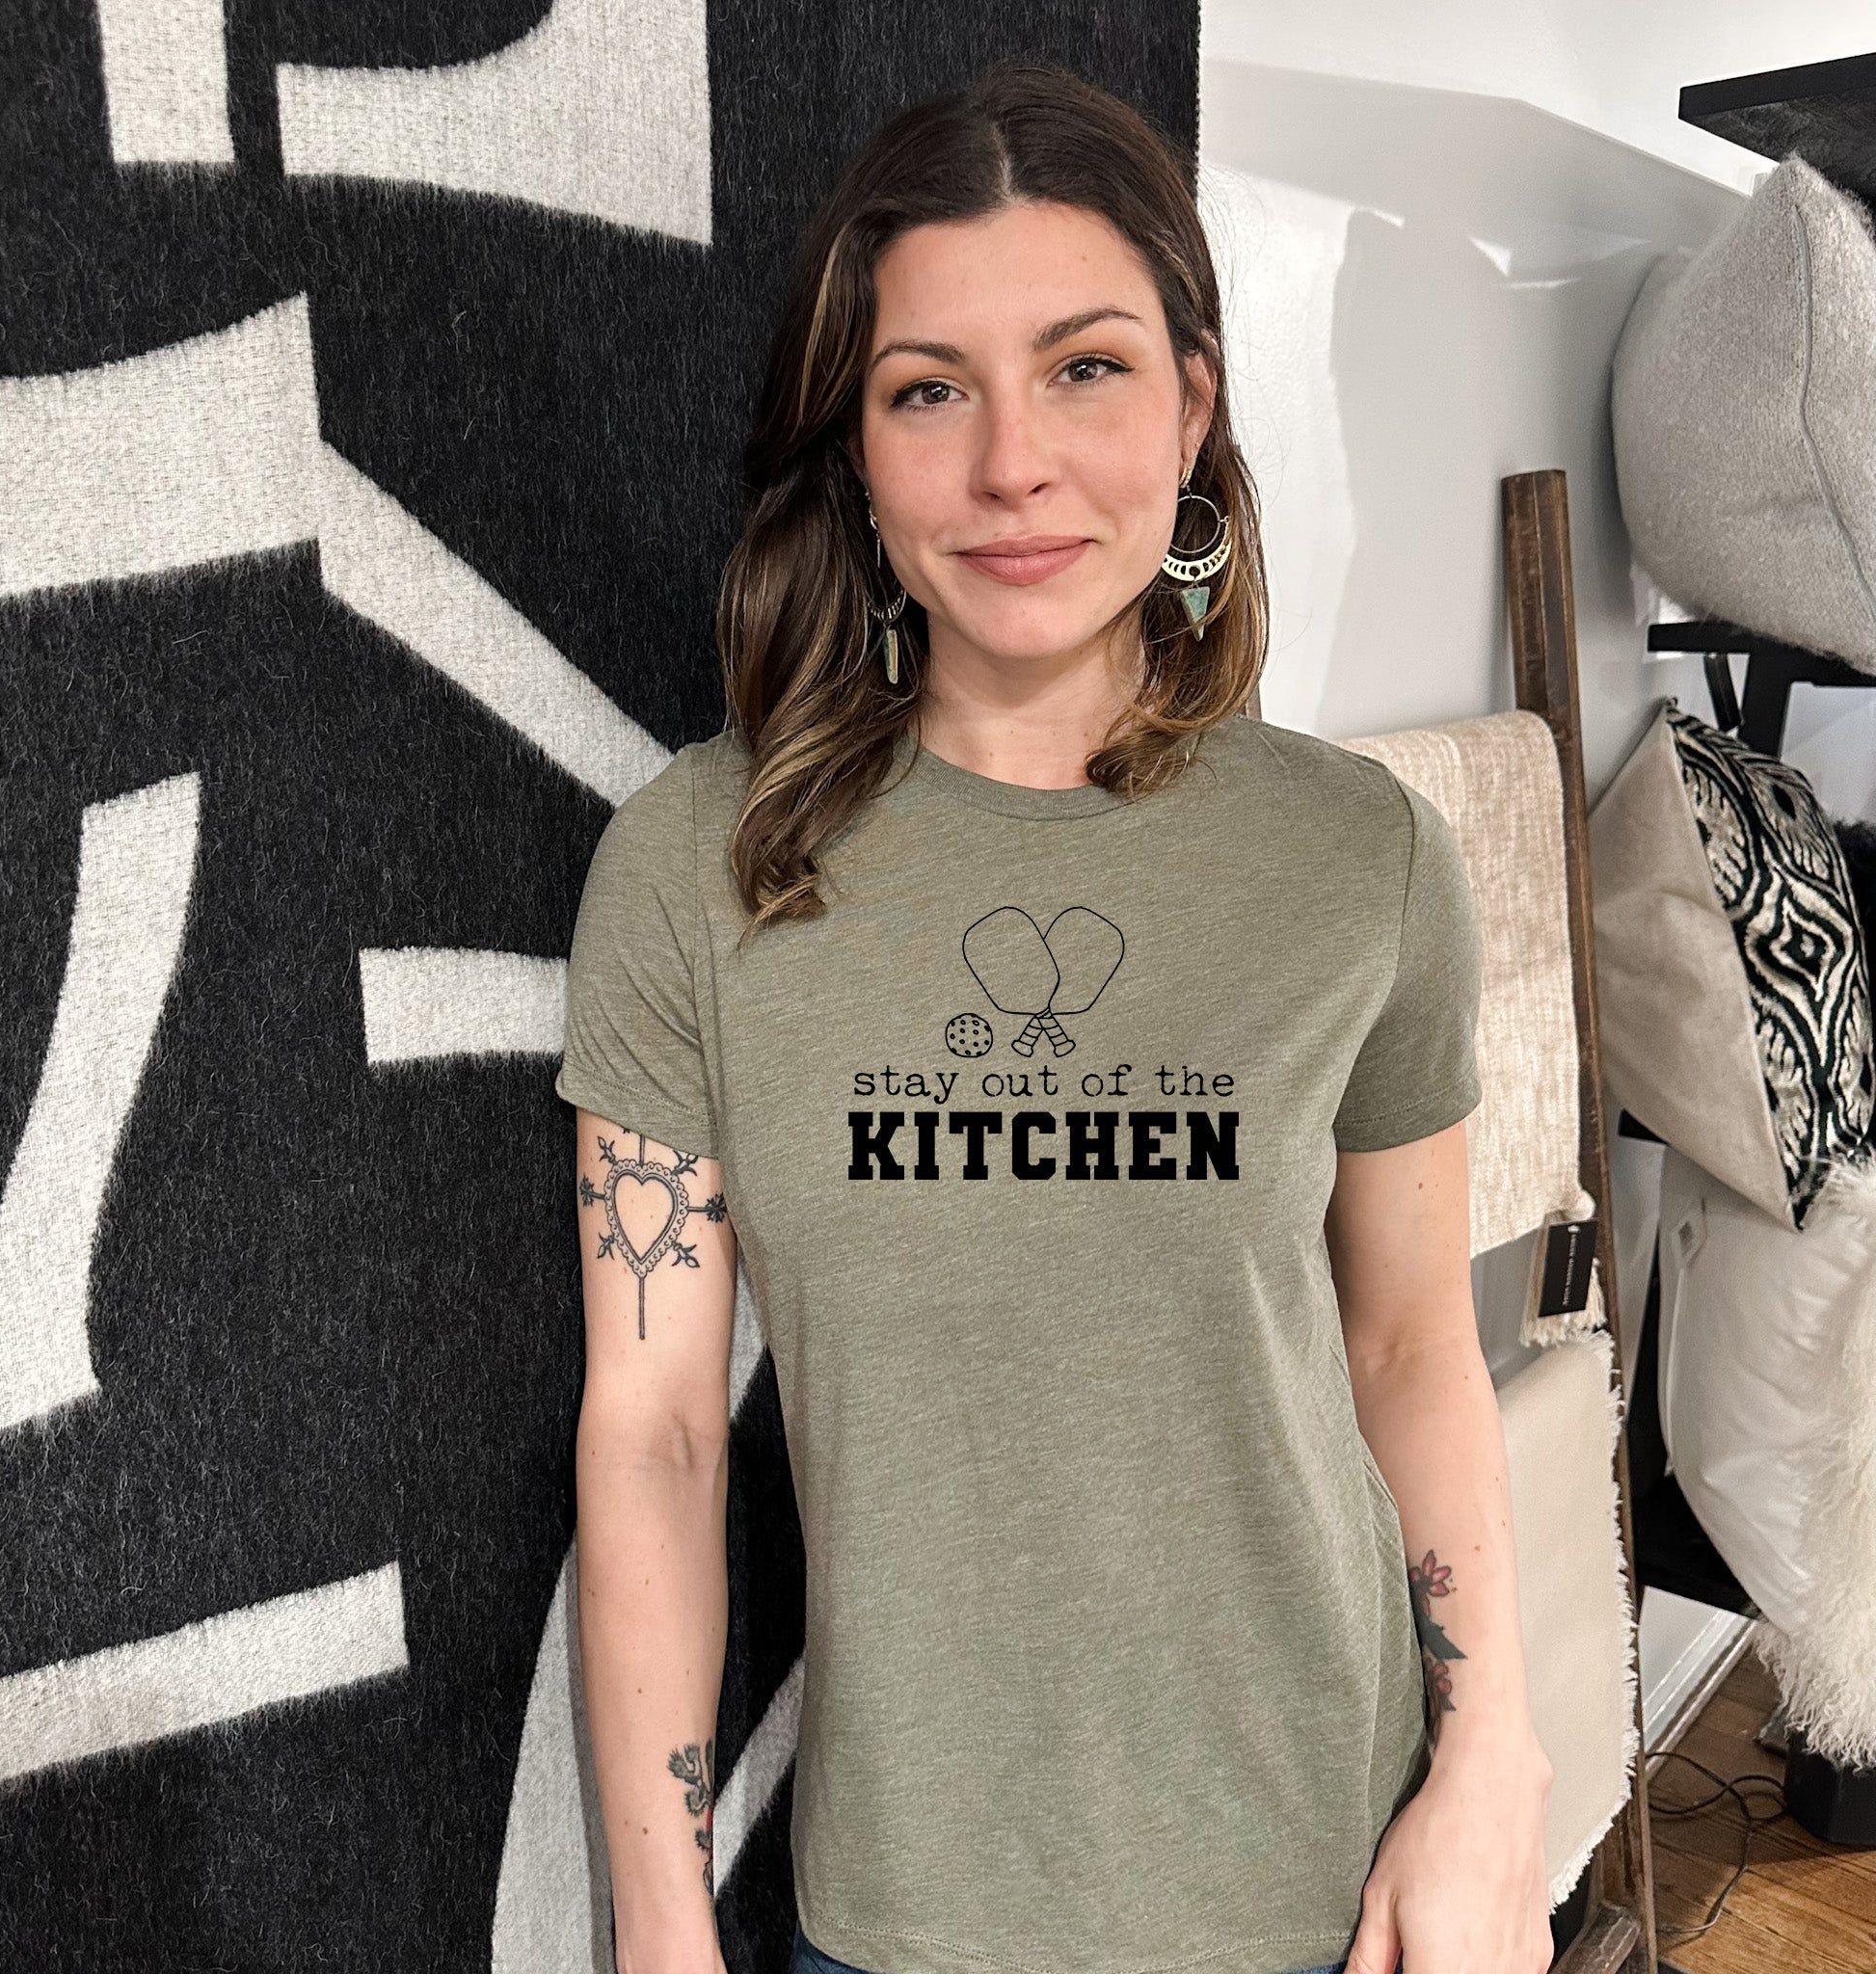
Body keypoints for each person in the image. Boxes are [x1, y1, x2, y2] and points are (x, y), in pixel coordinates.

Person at [557, 58, 1554, 1974]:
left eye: (1086, 368)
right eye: (930, 389)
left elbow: (1411, 1337)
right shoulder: (700, 865)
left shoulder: (1361, 859)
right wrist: (660, 1926)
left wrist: (1486, 1768)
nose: (1012, 463)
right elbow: (657, 1430)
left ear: (1191, 404)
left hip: (1328, 1894)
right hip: (904, 1914)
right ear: (855, 451)